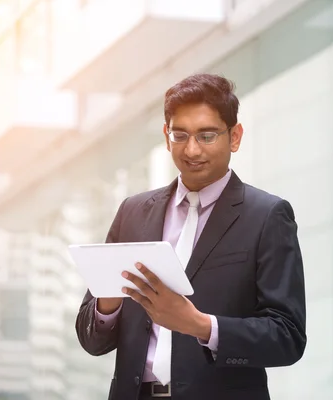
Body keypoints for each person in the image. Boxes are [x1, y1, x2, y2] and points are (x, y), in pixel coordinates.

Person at [75, 73, 306, 400]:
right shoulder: (133, 212)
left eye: (207, 135)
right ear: (167, 137)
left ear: (235, 137)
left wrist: (201, 325)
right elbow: (91, 339)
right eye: (180, 135)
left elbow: (288, 337)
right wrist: (109, 302)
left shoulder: (267, 216)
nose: (192, 149)